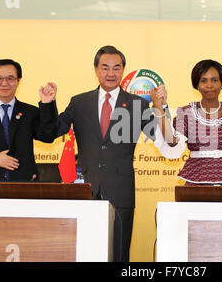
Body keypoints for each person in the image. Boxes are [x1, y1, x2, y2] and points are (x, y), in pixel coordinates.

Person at [39, 45, 166, 262]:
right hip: (85, 190)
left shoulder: (137, 104)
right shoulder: (79, 102)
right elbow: (51, 132)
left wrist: (159, 107)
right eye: (105, 67)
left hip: (121, 191)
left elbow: (161, 139)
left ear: (123, 70)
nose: (110, 73)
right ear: (96, 70)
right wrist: (47, 103)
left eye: (116, 68)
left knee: (119, 254)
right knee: (85, 252)